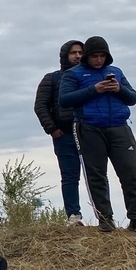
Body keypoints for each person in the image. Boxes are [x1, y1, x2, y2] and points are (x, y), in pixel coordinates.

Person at [58, 36, 136, 232]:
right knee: (96, 176)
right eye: (94, 56)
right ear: (88, 56)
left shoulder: (116, 72)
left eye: (102, 56)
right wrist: (94, 90)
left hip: (119, 127)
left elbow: (133, 98)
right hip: (89, 128)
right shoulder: (73, 74)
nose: (98, 60)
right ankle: (106, 220)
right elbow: (64, 99)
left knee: (131, 173)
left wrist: (119, 89)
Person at [34, 40, 86, 226]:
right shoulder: (52, 79)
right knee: (70, 176)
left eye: (80, 52)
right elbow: (40, 106)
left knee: (97, 175)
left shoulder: (88, 78)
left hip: (89, 132)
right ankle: (74, 215)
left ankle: (104, 215)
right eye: (73, 53)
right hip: (64, 134)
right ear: (65, 55)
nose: (77, 56)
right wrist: (53, 129)